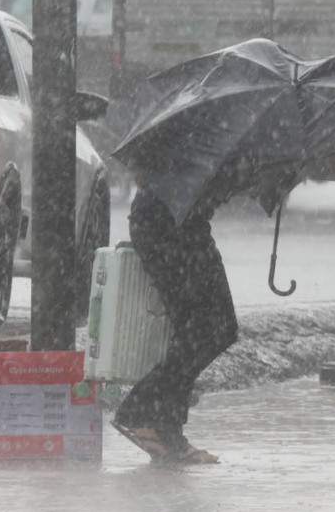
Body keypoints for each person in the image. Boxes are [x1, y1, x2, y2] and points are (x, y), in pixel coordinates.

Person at [112, 163, 299, 464]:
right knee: (214, 328)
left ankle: (166, 430)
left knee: (199, 330)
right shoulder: (227, 138)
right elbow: (215, 179)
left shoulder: (229, 136)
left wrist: (266, 181)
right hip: (168, 226)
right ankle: (141, 410)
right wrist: (258, 179)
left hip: (179, 225)